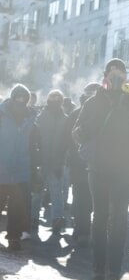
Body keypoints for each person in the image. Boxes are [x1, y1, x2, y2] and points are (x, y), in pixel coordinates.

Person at [73, 58, 129, 280]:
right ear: (105, 76)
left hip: (125, 168)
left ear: (126, 78)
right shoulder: (94, 101)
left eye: (121, 74)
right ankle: (98, 269)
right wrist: (85, 131)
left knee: (118, 220)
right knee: (99, 218)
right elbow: (77, 132)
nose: (116, 78)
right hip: (98, 168)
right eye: (112, 73)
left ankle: (113, 272)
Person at [0, 84, 40, 251]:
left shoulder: (31, 119)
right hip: (1, 169)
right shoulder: (1, 115)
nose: (20, 102)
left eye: (24, 99)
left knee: (17, 207)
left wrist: (35, 168)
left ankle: (14, 237)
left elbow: (35, 146)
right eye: (18, 98)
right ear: (12, 97)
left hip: (21, 171)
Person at [64, 82, 102, 248]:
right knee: (82, 199)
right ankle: (83, 231)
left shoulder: (106, 114)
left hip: (99, 165)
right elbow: (66, 138)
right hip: (79, 164)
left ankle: (84, 229)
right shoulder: (76, 114)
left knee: (93, 200)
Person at [33, 89, 70, 243]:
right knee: (37, 191)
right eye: (52, 98)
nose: (55, 101)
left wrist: (62, 159)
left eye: (58, 98)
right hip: (42, 159)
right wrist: (36, 159)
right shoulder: (40, 117)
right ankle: (33, 218)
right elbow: (35, 138)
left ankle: (57, 219)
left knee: (56, 191)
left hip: (57, 160)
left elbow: (67, 141)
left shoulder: (65, 119)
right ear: (48, 100)